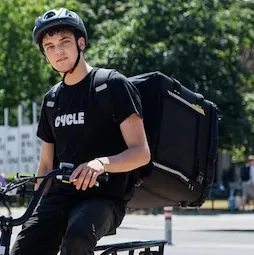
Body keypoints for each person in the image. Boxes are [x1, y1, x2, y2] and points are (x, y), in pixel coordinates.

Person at [10, 8, 151, 255]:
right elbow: (45, 165)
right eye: (50, 47)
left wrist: (101, 163)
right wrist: (33, 203)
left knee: (77, 238)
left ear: (81, 42)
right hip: (58, 197)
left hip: (103, 197)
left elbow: (141, 153)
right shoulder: (52, 100)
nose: (58, 51)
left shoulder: (112, 85)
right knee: (24, 248)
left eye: (64, 42)